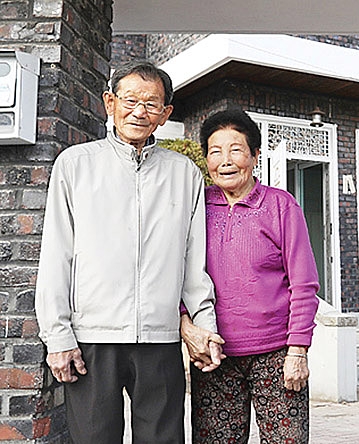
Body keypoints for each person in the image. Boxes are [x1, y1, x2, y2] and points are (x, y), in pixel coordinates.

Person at [35, 60, 223, 444]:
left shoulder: (185, 173)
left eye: (152, 104)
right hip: (92, 338)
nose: (140, 111)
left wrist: (205, 327)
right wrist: (58, 337)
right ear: (110, 102)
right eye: (130, 100)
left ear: (165, 114)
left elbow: (194, 263)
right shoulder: (75, 165)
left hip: (160, 339)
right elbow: (56, 257)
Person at [181, 109, 320, 443]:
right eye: (215, 151)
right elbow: (176, 273)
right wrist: (187, 325)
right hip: (214, 354)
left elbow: (304, 284)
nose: (225, 161)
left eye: (236, 150)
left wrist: (298, 350)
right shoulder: (196, 207)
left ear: (255, 155)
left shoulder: (280, 206)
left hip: (277, 353)